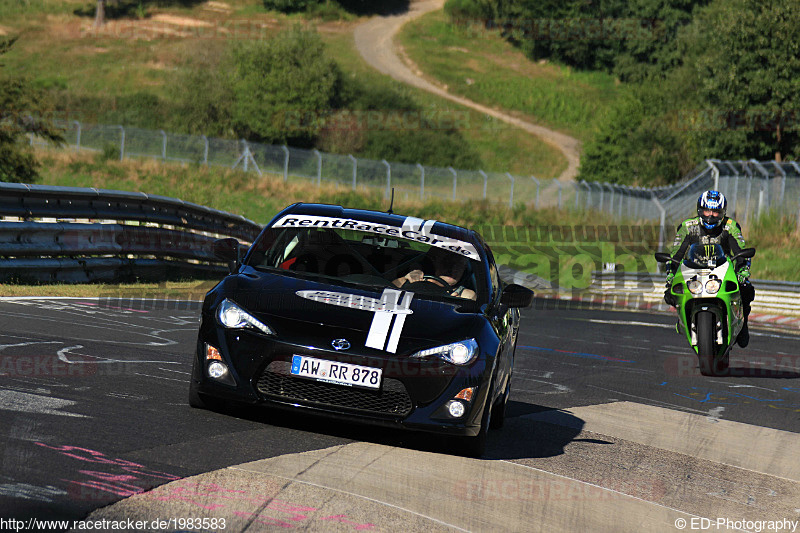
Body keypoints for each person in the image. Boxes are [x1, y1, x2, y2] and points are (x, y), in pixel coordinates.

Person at [664, 190, 754, 347]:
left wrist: (742, 272)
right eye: (707, 211)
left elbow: (741, 253)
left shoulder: (731, 227)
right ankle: (682, 317)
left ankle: (742, 323)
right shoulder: (687, 227)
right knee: (670, 293)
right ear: (700, 210)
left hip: (722, 270)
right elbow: (675, 255)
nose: (710, 216)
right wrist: (671, 274)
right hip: (693, 270)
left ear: (722, 213)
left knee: (746, 290)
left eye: (715, 212)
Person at [393, 247, 477, 300]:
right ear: (434, 263)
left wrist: (459, 303)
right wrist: (406, 279)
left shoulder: (466, 295)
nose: (453, 269)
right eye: (448, 262)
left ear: (464, 270)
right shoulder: (410, 280)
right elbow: (387, 294)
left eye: (459, 265)